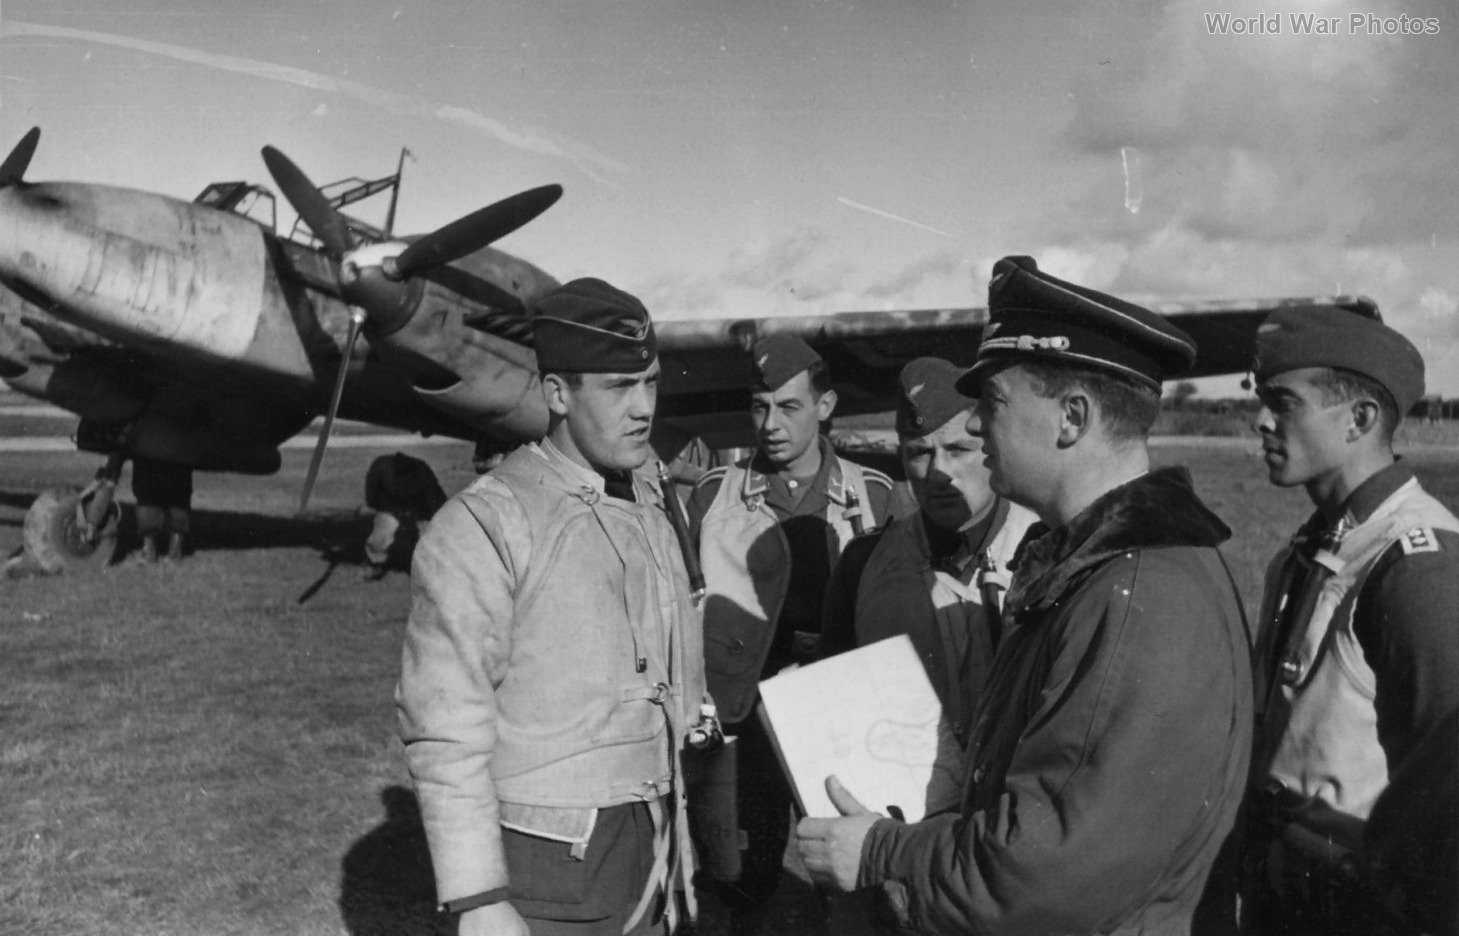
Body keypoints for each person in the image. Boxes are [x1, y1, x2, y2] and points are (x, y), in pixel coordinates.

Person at [797, 255, 1253, 936]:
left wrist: (878, 850)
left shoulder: (1134, 595)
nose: (977, 429)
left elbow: (1039, 872)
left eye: (993, 405)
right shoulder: (1104, 569)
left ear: (1070, 418)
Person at [396, 278, 711, 936]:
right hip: (550, 858)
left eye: (650, 382)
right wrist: (476, 896)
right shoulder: (486, 523)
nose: (644, 408)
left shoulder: (650, 501)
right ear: (558, 394)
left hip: (656, 840)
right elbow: (444, 723)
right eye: (619, 387)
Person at [1243, 304, 1458, 935]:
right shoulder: (1308, 551)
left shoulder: (1415, 563)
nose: (1260, 422)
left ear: (1359, 419)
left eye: (1283, 403)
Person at [687, 333, 893, 909]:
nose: (770, 423)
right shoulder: (714, 496)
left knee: (846, 858)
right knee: (742, 861)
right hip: (746, 705)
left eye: (789, 406)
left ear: (825, 407)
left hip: (837, 703)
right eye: (760, 406)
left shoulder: (872, 495)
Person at [820, 356, 1036, 815]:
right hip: (907, 827)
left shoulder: (1047, 550)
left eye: (958, 449)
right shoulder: (864, 564)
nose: (937, 471)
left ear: (991, 446)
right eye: (919, 452)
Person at [361, 451, 446, 579]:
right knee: (382, 533)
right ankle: (375, 563)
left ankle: (429, 568)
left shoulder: (422, 472)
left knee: (428, 536)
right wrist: (379, 508)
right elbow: (371, 493)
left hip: (419, 505)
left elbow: (435, 499)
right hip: (391, 504)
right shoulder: (380, 467)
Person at [130, 455, 193, 563]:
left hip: (149, 448)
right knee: (179, 491)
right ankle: (174, 551)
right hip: (180, 449)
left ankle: (150, 551)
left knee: (147, 491)